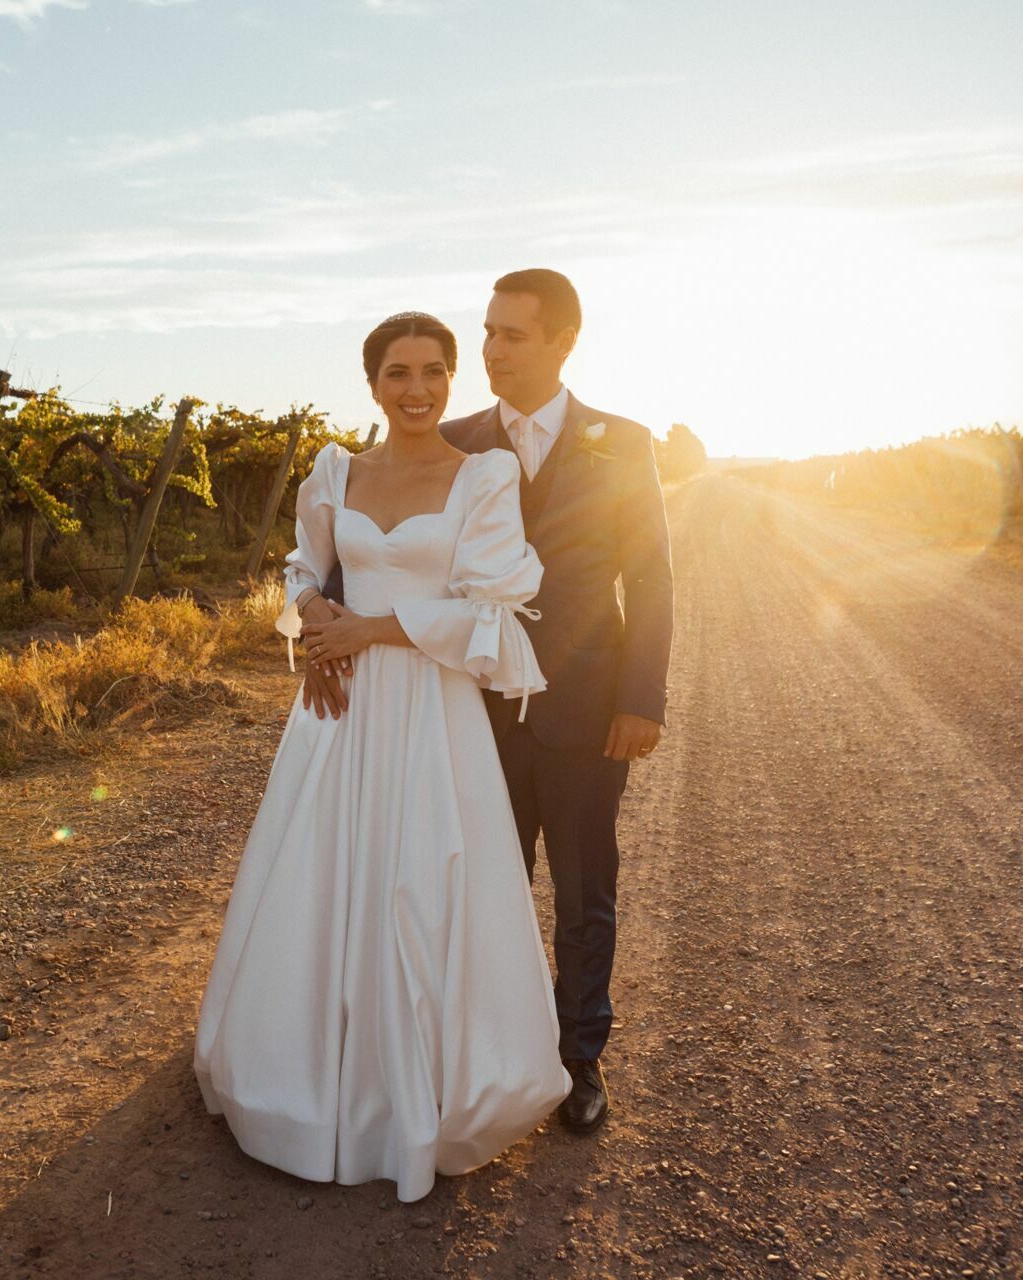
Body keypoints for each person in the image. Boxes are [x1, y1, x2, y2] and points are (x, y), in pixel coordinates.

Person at [193, 311, 571, 1204]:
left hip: (432, 711)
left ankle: (421, 1090)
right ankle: (308, 1079)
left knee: (421, 881)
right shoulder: (336, 472)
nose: (417, 389)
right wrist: (317, 619)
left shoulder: (483, 477)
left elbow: (489, 612)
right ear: (372, 384)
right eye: (398, 373)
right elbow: (301, 570)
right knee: (323, 876)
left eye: (434, 370)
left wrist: (368, 628)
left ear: (451, 379)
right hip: (341, 705)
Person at [306, 269, 674, 1134]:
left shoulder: (622, 443)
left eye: (512, 335)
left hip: (585, 702)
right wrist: (324, 616)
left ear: (563, 343)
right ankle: (470, 1050)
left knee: (584, 887)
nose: (492, 351)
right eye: (487, 332)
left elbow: (651, 576)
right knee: (467, 885)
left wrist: (642, 697)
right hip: (463, 702)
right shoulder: (455, 438)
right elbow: (367, 537)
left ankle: (579, 1058)